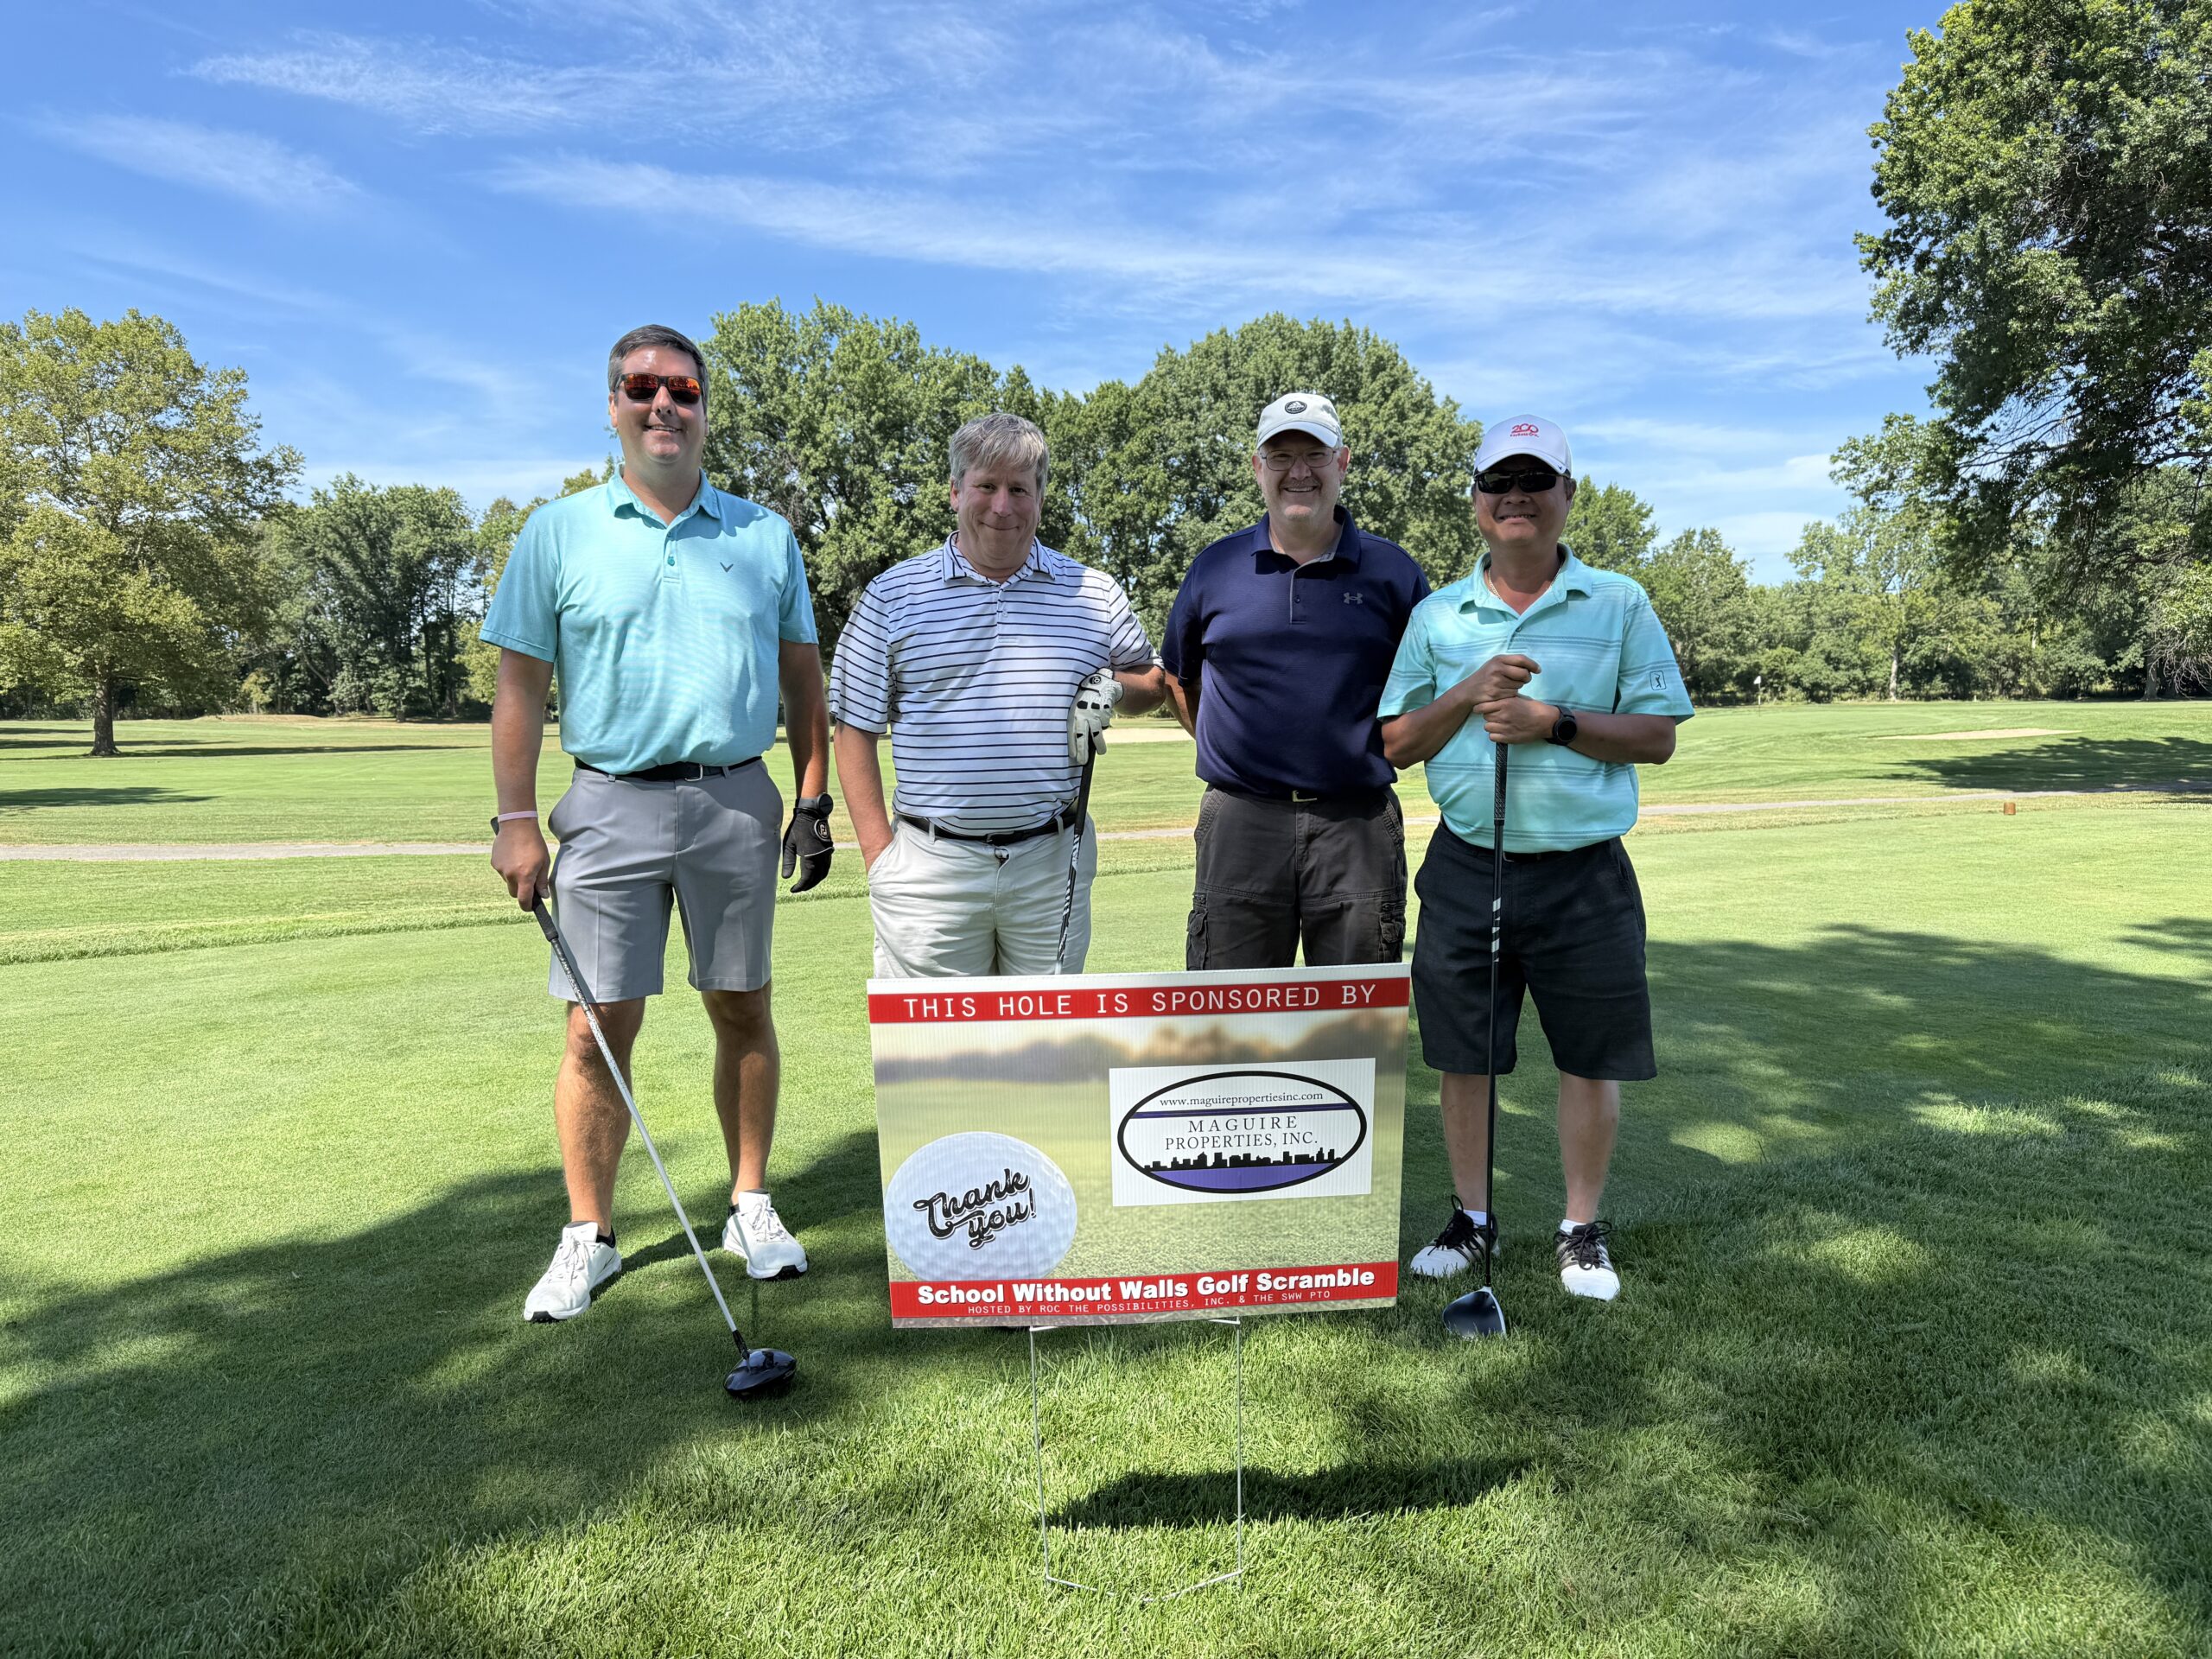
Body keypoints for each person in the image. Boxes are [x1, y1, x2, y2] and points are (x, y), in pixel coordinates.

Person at [484, 323, 834, 1323]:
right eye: (641, 389)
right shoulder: (557, 532)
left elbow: (802, 676)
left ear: (705, 408)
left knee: (743, 1004)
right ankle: (588, 1236)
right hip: (607, 803)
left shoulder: (762, 535)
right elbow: (519, 688)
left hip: (735, 797)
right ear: (613, 408)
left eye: (682, 389)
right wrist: (516, 820)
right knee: (596, 1027)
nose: (662, 405)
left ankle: (750, 1204)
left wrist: (812, 796)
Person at [1376, 415, 1692, 1301]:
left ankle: (1578, 1228)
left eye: (1534, 480)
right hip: (1468, 863)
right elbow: (1396, 743)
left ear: (1567, 494)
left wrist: (1553, 723)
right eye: (1498, 482)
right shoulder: (1438, 615)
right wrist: (1469, 692)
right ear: (1477, 500)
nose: (1515, 496)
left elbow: (1658, 737)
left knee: (1589, 1057)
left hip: (1585, 872)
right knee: (1464, 1055)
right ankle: (1473, 1218)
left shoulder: (1619, 602)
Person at [831, 412, 1166, 977]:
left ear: (1041, 497)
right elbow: (853, 729)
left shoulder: (1093, 591)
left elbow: (1152, 682)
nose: (1002, 506)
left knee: (1046, 1034)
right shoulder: (892, 595)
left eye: (1019, 489)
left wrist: (1112, 687)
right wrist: (879, 858)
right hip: (929, 869)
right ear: (955, 491)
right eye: (986, 486)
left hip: (1050, 863)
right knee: (935, 1037)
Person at [1161, 391, 1431, 968]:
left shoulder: (1394, 573)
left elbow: (1426, 695)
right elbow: (1181, 680)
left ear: (1343, 462)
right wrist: (1235, 750)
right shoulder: (1214, 568)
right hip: (1241, 821)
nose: (1299, 472)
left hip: (1356, 823)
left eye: (1315, 455)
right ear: (1257, 467)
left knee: (1356, 1013)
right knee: (1230, 1011)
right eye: (1280, 456)